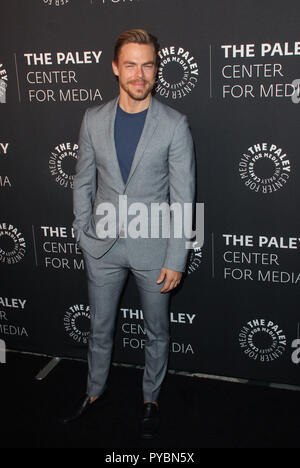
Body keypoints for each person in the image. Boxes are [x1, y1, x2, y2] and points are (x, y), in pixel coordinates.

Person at [62, 29, 196, 439]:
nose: (141, 74)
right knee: (100, 326)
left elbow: (184, 197)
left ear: (157, 69)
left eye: (149, 65)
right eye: (132, 64)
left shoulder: (174, 125)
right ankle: (94, 393)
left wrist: (176, 258)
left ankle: (150, 400)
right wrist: (83, 232)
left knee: (157, 331)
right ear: (116, 68)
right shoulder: (93, 119)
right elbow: (82, 181)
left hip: (153, 249)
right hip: (101, 246)